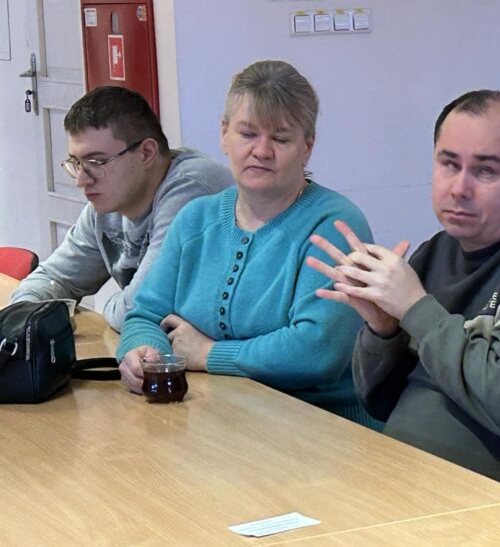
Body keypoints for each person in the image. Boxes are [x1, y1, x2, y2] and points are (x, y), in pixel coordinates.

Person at [308, 90, 500, 489]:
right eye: (449, 164)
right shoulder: (435, 252)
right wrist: (384, 331)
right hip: (405, 479)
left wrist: (416, 309)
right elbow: (379, 403)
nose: (460, 187)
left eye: (485, 170)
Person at [116, 60, 375, 425]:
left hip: (323, 425)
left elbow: (316, 352)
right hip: (214, 419)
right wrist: (142, 353)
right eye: (248, 134)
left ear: (307, 147)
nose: (262, 151)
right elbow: (145, 315)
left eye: (281, 139)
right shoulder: (195, 219)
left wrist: (210, 354)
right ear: (224, 134)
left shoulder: (336, 225)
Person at [9, 86, 232, 331]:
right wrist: (25, 317)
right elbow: (52, 278)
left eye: (97, 162)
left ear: (146, 153)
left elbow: (138, 311)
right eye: (76, 162)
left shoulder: (193, 190)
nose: (81, 180)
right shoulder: (108, 204)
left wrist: (108, 306)